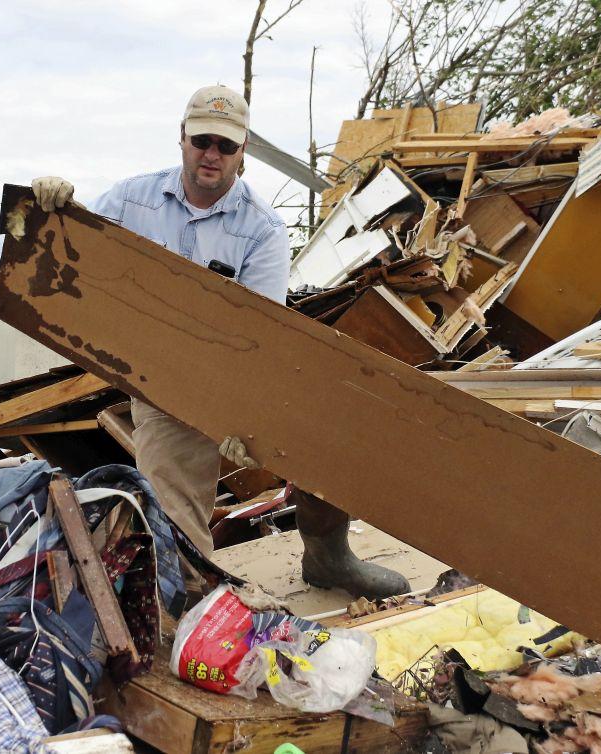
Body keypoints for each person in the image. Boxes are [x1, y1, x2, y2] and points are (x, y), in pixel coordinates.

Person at [32, 85, 408, 599]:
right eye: (202, 141)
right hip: (161, 376)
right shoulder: (129, 199)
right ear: (182, 138)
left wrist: (243, 417)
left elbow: (261, 339)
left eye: (225, 146)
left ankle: (328, 556)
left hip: (239, 368)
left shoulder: (263, 228)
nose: (212, 155)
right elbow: (78, 256)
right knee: (175, 498)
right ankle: (186, 595)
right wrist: (57, 208)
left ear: (243, 150)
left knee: (332, 426)